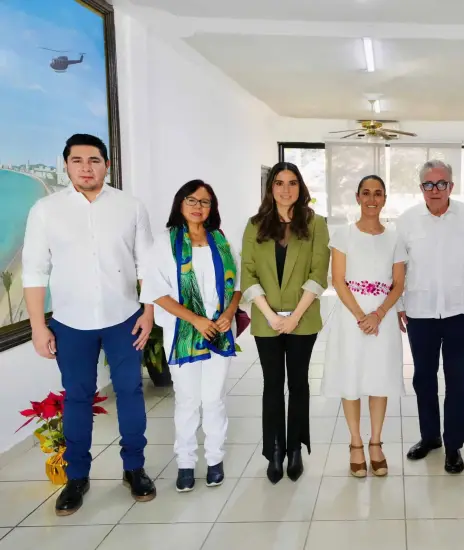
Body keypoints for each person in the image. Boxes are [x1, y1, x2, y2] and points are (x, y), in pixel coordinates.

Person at [22, 133, 156, 516]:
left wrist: (147, 313)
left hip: (124, 319)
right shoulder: (46, 211)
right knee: (77, 398)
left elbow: (147, 264)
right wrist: (37, 326)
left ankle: (135, 468)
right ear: (66, 165)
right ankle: (76, 476)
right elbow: (34, 271)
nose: (86, 167)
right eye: (77, 160)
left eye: (94, 160)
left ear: (107, 164)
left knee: (130, 392)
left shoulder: (130, 206)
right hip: (70, 323)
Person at [140, 180, 242, 492]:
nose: (198, 207)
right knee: (187, 400)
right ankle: (185, 462)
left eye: (205, 202)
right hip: (182, 332)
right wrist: (196, 320)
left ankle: (214, 459)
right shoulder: (164, 243)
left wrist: (227, 315)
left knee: (213, 399)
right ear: (180, 204)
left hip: (219, 333)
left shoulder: (221, 241)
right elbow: (156, 291)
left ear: (213, 208)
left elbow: (236, 287)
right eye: (192, 200)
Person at [397, 159, 464, 474]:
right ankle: (430, 438)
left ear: (452, 186)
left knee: (458, 382)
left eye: (442, 184)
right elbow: (398, 268)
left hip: (461, 312)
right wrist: (399, 305)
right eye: (429, 184)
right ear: (421, 188)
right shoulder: (407, 221)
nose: (435, 190)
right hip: (420, 314)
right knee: (423, 379)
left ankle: (454, 446)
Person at [241, 162, 330, 484]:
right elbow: (247, 273)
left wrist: (292, 317)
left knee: (299, 384)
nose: (285, 189)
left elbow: (319, 273)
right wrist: (271, 315)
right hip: (266, 320)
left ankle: (295, 449)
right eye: (279, 182)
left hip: (302, 320)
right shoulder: (255, 226)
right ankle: (274, 451)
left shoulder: (316, 224)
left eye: (292, 182)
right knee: (272, 385)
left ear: (300, 187)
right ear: (271, 188)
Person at [321, 175, 406, 477]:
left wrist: (379, 314)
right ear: (357, 197)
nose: (372, 199)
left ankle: (376, 442)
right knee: (352, 376)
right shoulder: (343, 234)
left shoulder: (395, 236)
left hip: (381, 316)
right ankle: (356, 442)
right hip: (351, 316)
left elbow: (398, 283)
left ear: (385, 198)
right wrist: (361, 316)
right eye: (366, 193)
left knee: (379, 377)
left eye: (378, 193)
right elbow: (338, 280)